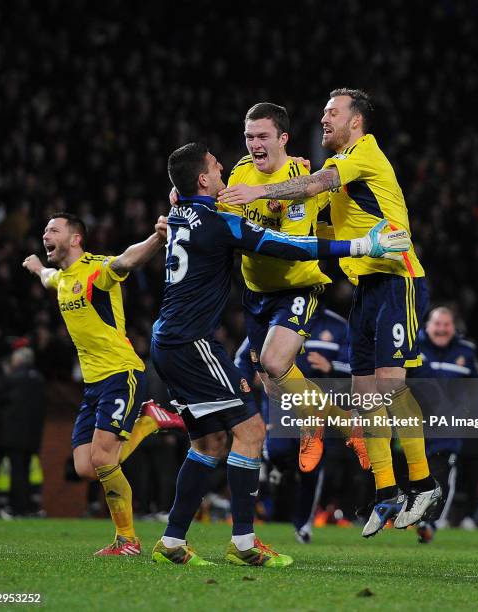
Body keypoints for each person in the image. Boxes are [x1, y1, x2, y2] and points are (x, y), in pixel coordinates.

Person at [150, 142, 409, 566]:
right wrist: (364, 246)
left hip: (166, 342)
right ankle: (244, 545)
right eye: (217, 169)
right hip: (193, 343)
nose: (226, 175)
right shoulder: (219, 223)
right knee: (251, 433)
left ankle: (172, 541)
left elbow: (183, 200)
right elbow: (290, 246)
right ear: (202, 179)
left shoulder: (179, 214)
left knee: (210, 441)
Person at [219, 88, 442, 537]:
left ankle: (424, 483)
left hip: (397, 278)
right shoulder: (335, 171)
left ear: (355, 122)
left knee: (390, 387)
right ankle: (386, 493)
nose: (323, 119)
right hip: (364, 287)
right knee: (365, 397)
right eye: (322, 112)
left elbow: (316, 185)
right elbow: (318, 219)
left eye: (332, 113)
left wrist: (258, 194)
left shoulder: (363, 153)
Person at [219, 103, 368, 473]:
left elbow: (291, 246)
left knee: (274, 361)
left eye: (263, 136)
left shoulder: (297, 175)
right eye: (249, 136)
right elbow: (226, 225)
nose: (254, 143)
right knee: (271, 385)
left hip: (298, 284)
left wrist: (243, 231)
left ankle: (312, 423)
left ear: (282, 138)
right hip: (256, 291)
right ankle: (345, 419)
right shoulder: (240, 171)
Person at [23, 212, 183, 556]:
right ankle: (150, 422)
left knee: (104, 458)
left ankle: (127, 540)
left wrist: (157, 238)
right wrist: (37, 267)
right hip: (93, 385)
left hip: (119, 372)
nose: (45, 235)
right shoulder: (64, 278)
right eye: (44, 230)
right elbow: (49, 278)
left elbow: (127, 260)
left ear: (76, 238)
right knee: (86, 467)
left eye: (53, 229)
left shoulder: (97, 269)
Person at [235, 304, 353, 544]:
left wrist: (332, 367)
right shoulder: (277, 318)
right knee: (278, 452)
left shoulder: (338, 325)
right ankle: (274, 470)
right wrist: (245, 383)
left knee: (311, 468)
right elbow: (242, 358)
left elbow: (356, 365)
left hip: (319, 405)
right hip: (281, 404)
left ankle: (303, 524)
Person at [411, 307, 478, 543]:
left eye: (446, 324)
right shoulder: (411, 346)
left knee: (442, 473)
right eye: (438, 324)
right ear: (427, 326)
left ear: (453, 327)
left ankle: (430, 523)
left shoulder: (466, 351)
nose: (442, 329)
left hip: (448, 426)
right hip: (412, 424)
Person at [0, 346, 45, 517]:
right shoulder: (39, 380)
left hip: (8, 435)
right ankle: (23, 507)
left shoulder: (12, 379)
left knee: (4, 469)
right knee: (23, 471)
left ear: (18, 361)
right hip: (32, 436)